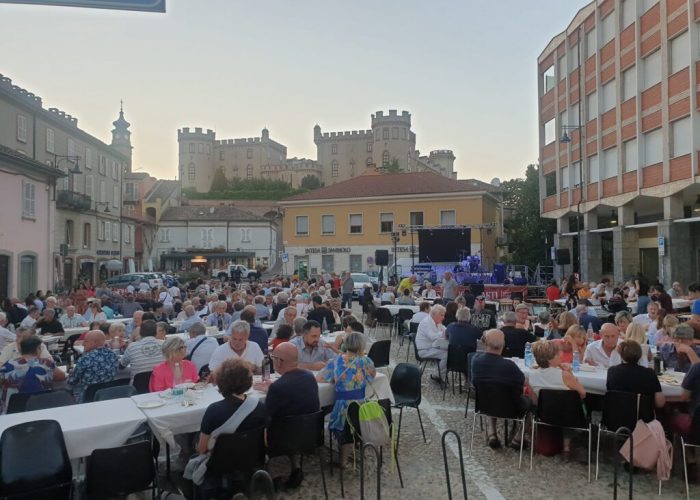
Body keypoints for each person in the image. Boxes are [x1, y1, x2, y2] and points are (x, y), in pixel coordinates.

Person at [256, 342, 320, 489]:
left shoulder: (278, 388)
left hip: (282, 440)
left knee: (256, 428)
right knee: (292, 421)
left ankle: (265, 476)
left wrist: (272, 389)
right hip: (311, 434)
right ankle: (295, 467)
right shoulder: (309, 377)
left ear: (279, 362)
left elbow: (266, 417)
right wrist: (272, 387)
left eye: (273, 358)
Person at [317, 332, 375, 467]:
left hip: (343, 405)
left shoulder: (337, 360)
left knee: (344, 429)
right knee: (355, 425)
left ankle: (343, 460)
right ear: (361, 346)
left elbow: (320, 378)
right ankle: (357, 449)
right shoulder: (367, 361)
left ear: (346, 345)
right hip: (361, 405)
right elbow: (372, 376)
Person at [471, 329, 530, 449]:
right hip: (511, 409)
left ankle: (492, 434)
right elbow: (524, 382)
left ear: (485, 343)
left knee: (490, 392)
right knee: (532, 405)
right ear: (503, 345)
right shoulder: (510, 366)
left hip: (484, 405)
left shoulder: (475, 361)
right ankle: (518, 438)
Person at [196, 358, 268, 455]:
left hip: (219, 464)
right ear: (249, 381)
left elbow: (202, 449)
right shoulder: (259, 406)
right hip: (252, 460)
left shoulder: (213, 410)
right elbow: (266, 442)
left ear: (220, 381)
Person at [528, 340, 586, 458]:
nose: (561, 354)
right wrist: (569, 373)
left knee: (565, 407)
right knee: (571, 407)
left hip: (545, 415)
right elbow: (582, 394)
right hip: (570, 416)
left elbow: (534, 400)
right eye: (557, 353)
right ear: (550, 359)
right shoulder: (564, 375)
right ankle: (566, 446)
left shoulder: (532, 374)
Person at [1, 335, 66, 409]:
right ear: (38, 349)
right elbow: (62, 376)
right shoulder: (46, 363)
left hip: (12, 409)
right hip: (41, 407)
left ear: (21, 349)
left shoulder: (7, 365)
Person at [607, 340, 665, 408]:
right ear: (640, 354)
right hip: (643, 416)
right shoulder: (649, 373)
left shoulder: (612, 371)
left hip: (617, 415)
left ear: (621, 355)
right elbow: (660, 403)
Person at [67, 330, 119, 402]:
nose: (83, 343)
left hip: (88, 398)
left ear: (95, 342)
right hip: (109, 396)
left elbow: (72, 381)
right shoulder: (113, 355)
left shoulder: (85, 358)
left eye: (86, 341)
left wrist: (70, 374)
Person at [415, 305, 448, 381]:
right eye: (441, 315)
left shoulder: (437, 322)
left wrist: (449, 332)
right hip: (424, 350)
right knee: (446, 354)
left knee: (449, 351)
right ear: (434, 314)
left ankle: (438, 373)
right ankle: (437, 375)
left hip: (432, 348)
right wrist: (444, 334)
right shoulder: (426, 322)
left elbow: (445, 330)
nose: (443, 317)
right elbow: (432, 336)